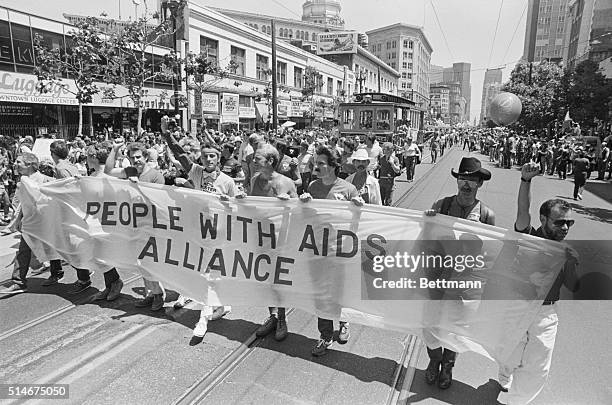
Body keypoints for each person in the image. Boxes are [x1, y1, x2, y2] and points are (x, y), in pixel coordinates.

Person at [497, 162, 580, 405]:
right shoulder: (529, 236)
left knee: (538, 366)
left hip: (546, 314)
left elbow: (574, 287)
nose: (565, 227)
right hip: (518, 306)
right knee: (510, 354)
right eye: (559, 222)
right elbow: (523, 211)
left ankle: (513, 401)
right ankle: (504, 377)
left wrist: (572, 264)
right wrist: (525, 181)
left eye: (569, 223)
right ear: (544, 219)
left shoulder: (568, 252)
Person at [423, 156, 495, 389]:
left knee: (455, 328)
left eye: (471, 180)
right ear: (457, 181)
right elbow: (425, 239)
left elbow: (488, 252)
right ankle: (433, 360)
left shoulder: (486, 214)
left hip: (463, 283)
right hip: (436, 277)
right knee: (430, 324)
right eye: (463, 178)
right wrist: (429, 223)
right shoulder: (441, 206)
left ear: (479, 184)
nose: (466, 184)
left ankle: (447, 366)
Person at [161, 117, 237, 337]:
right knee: (197, 269)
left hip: (218, 234)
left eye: (212, 156)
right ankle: (219, 305)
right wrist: (166, 134)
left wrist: (227, 203)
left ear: (218, 159)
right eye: (204, 156)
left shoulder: (227, 182)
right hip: (196, 230)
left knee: (211, 275)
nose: (208, 159)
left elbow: (238, 209)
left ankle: (203, 319)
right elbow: (179, 154)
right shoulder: (195, 172)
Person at [300, 145, 363, 356]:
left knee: (340, 292)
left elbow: (358, 224)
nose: (316, 166)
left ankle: (344, 322)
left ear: (333, 166)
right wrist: (303, 205)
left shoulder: (348, 190)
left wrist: (358, 208)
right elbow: (307, 219)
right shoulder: (313, 187)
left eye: (321, 163)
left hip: (340, 252)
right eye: (315, 163)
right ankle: (325, 335)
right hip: (317, 250)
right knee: (321, 294)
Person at [105, 139, 166, 311]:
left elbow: (159, 200)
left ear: (146, 157)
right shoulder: (130, 171)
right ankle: (150, 293)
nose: (136, 161)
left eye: (139, 157)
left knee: (151, 262)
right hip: (135, 225)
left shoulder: (155, 175)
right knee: (141, 262)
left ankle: (158, 295)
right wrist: (115, 149)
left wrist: (137, 186)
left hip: (152, 226)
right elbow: (108, 171)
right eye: (133, 158)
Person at [250, 143, 298, 342]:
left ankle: (281, 318)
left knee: (278, 281)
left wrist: (289, 204)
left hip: (280, 240)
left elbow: (300, 211)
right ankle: (272, 315)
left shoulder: (286, 182)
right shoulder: (255, 179)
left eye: (258, 158)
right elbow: (251, 205)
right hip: (260, 237)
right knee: (265, 280)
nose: (253, 161)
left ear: (270, 161)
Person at [0, 153, 53, 296]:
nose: (15, 164)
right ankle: (18, 282)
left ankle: (83, 273)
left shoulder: (45, 180)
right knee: (23, 251)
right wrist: (17, 221)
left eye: (19, 162)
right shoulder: (22, 181)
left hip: (46, 223)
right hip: (30, 224)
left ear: (29, 164)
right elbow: (24, 205)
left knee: (61, 248)